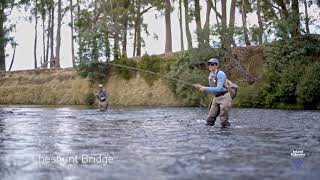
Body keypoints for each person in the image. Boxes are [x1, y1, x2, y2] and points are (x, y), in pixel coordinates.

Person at [194, 58, 232, 128]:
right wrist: (201, 87)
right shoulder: (210, 74)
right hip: (216, 98)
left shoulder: (220, 74)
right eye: (209, 64)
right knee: (210, 120)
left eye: (212, 64)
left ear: (216, 65)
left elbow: (218, 88)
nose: (210, 66)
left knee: (223, 121)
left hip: (225, 97)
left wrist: (204, 88)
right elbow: (211, 88)